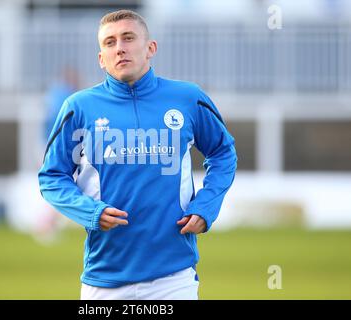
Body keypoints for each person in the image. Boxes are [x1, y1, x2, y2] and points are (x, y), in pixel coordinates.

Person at [38, 9, 237, 300]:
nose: (119, 48)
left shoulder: (188, 98)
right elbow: (51, 177)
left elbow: (223, 153)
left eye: (128, 38)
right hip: (104, 279)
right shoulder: (78, 107)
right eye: (109, 42)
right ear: (101, 59)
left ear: (150, 48)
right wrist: (90, 213)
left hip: (174, 277)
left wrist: (205, 207)